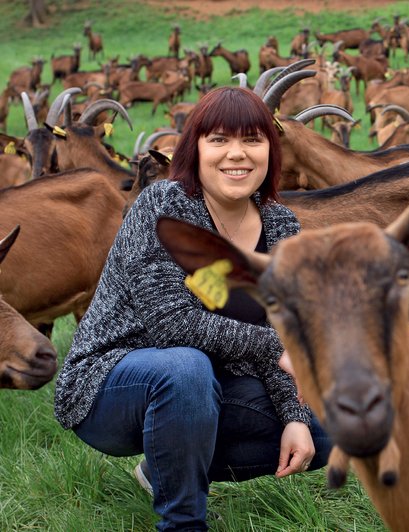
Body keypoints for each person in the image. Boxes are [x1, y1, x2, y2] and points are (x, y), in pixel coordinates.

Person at [53, 87, 330, 531]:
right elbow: (172, 323)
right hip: (111, 383)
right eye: (219, 139)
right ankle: (183, 522)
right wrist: (278, 345)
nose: (236, 154)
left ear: (271, 151)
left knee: (327, 427)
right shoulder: (162, 206)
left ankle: (162, 469)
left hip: (209, 384)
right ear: (195, 148)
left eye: (252, 140)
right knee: (184, 367)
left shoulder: (282, 226)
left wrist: (295, 417)